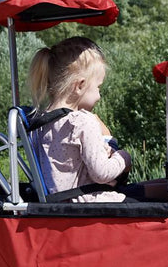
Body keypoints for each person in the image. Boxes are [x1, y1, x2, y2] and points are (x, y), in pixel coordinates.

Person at [28, 36, 132, 202]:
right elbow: (102, 174)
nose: (99, 96)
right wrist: (123, 157)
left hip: (58, 206)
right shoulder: (82, 121)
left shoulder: (39, 122)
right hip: (89, 205)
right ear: (80, 86)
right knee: (148, 199)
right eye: (98, 87)